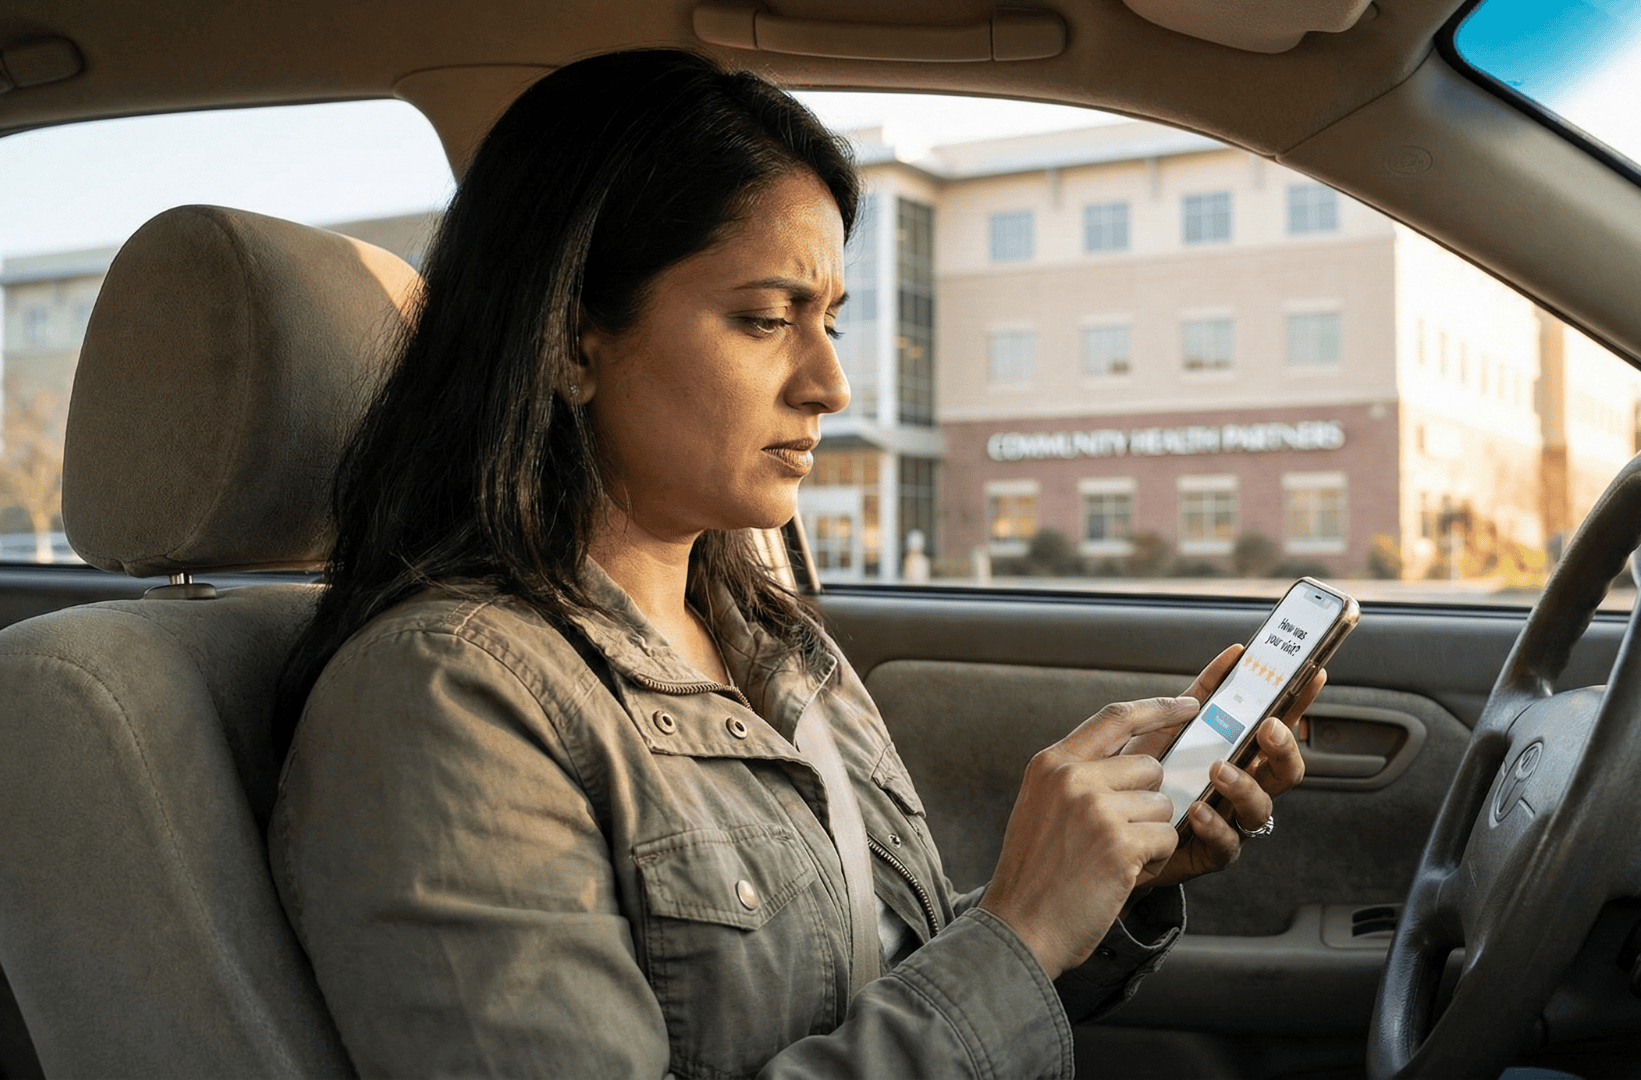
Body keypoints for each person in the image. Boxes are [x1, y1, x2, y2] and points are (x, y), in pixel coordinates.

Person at [270, 48, 1319, 1079]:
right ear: (570, 343)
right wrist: (1023, 926)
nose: (830, 385)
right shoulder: (442, 697)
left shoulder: (770, 644)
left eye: (830, 323)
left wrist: (1101, 887)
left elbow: (867, 983)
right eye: (766, 320)